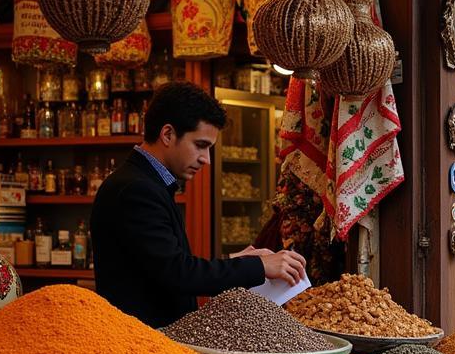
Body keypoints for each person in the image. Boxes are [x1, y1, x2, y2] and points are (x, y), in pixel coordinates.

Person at [91, 81, 306, 327]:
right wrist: (257, 266)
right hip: (140, 344)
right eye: (201, 145)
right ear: (168, 134)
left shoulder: (148, 183)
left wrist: (234, 259)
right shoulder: (136, 189)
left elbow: (164, 263)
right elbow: (178, 273)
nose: (206, 160)